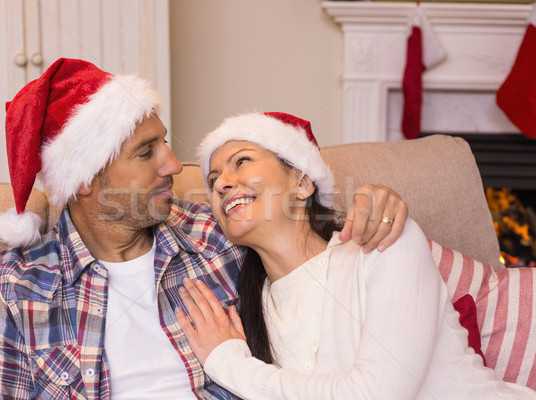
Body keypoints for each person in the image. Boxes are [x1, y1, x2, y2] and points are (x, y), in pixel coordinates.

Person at [0, 59, 407, 400]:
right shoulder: (16, 289)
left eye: (164, 141)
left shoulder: (218, 234)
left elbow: (321, 249)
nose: (173, 164)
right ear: (84, 182)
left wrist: (376, 205)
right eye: (146, 153)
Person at [175, 112, 536, 399]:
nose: (221, 183)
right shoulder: (252, 313)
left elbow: (375, 394)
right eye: (212, 180)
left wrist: (228, 363)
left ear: (303, 183)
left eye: (241, 162)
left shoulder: (382, 241)